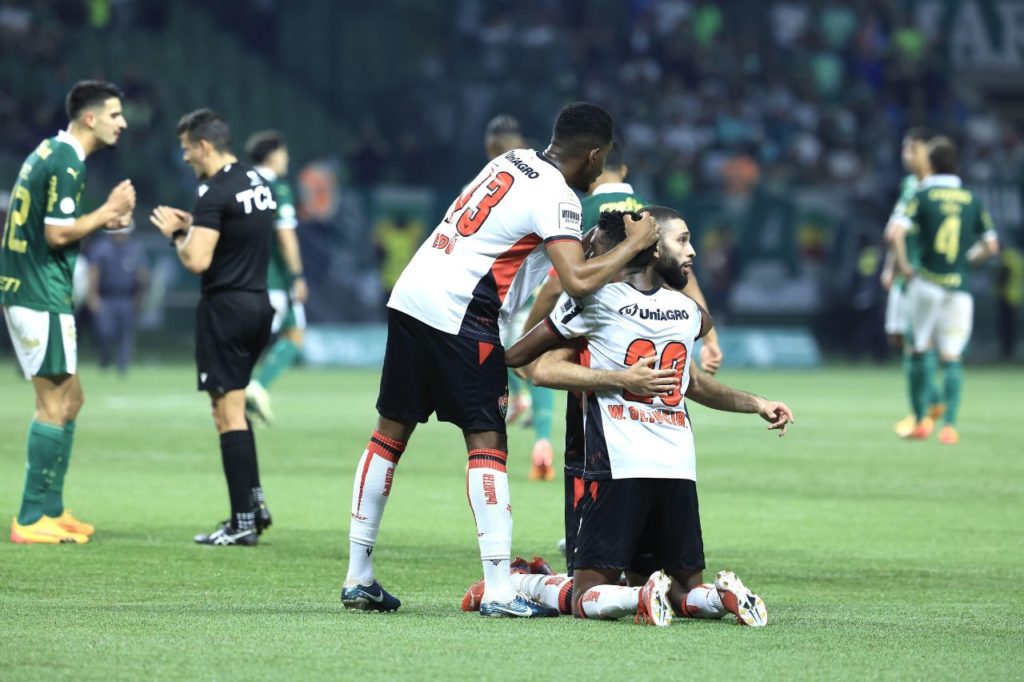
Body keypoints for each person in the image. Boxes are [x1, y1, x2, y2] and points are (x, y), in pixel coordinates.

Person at [341, 102, 658, 617]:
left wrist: (591, 245)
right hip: (462, 310)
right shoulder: (559, 197)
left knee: (388, 435)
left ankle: (358, 577)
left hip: (412, 294)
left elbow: (519, 243)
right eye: (603, 161)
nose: (601, 171)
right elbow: (574, 281)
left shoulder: (509, 162)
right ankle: (499, 589)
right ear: (595, 154)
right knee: (487, 441)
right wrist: (637, 243)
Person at [467, 208, 793, 626]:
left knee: (584, 593)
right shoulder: (689, 312)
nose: (692, 252)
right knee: (685, 589)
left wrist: (613, 375)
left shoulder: (595, 300)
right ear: (653, 249)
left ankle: (533, 584)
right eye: (684, 241)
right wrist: (758, 403)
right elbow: (691, 383)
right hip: (678, 466)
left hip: (617, 464)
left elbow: (529, 363)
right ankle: (721, 597)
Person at [1, 80, 135, 543]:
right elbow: (57, 234)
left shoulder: (51, 152)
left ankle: (52, 508)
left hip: (42, 290)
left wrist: (103, 219)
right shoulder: (67, 160)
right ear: (91, 118)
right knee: (52, 405)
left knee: (72, 400)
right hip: (38, 293)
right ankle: (29, 516)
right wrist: (109, 210)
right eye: (115, 114)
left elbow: (53, 228)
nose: (123, 122)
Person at [149, 109, 276, 545]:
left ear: (204, 145)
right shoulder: (256, 183)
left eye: (186, 148)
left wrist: (175, 234)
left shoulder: (213, 192)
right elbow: (237, 231)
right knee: (236, 410)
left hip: (225, 309)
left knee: (225, 415)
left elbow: (197, 260)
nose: (184, 157)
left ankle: (241, 521)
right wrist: (196, 223)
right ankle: (254, 505)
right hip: (259, 303)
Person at [521, 146, 724, 376]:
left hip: (601, 329)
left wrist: (527, 339)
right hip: (655, 324)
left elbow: (555, 285)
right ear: (624, 170)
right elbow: (686, 274)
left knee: (559, 377)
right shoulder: (653, 213)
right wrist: (711, 341)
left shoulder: (577, 210)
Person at [892, 136, 1000, 444]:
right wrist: (966, 264)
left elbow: (896, 233)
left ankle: (920, 420)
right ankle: (950, 426)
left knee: (918, 348)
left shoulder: (923, 195)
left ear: (931, 163)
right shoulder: (970, 198)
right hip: (959, 288)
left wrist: (905, 266)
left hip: (926, 282)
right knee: (952, 356)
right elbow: (991, 246)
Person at [881, 128, 944, 437]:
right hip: (903, 273)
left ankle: (921, 411)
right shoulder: (908, 184)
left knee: (916, 342)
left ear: (926, 154)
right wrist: (889, 266)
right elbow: (896, 229)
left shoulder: (936, 188)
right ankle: (931, 398)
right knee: (898, 337)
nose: (906, 156)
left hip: (922, 275)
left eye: (911, 150)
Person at [243, 130, 306, 425]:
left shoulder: (240, 185)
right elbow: (285, 235)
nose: (287, 159)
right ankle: (246, 389)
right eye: (284, 153)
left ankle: (254, 388)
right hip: (275, 279)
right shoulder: (277, 189)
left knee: (291, 332)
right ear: (272, 155)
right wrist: (297, 274)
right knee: (270, 338)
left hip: (243, 274)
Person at [86, 226, 149, 374]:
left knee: (126, 334)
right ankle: (106, 357)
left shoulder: (135, 249)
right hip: (106, 296)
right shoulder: (102, 248)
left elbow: (143, 274)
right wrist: (92, 295)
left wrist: (141, 296)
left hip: (127, 296)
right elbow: (94, 271)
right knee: (104, 331)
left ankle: (123, 366)